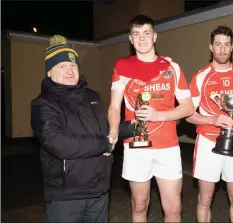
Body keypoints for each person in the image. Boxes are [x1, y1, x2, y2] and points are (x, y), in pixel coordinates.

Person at [30, 35, 134, 223]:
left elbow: (107, 130)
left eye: (73, 65)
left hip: (99, 191)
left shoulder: (93, 97)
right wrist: (104, 144)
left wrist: (134, 127)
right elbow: (59, 144)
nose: (69, 71)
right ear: (49, 72)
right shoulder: (43, 105)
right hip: (66, 196)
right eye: (62, 66)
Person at [107, 15, 194, 222]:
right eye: (136, 34)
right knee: (140, 205)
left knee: (173, 208)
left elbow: (188, 108)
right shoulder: (122, 66)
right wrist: (113, 130)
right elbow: (113, 106)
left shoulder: (172, 68)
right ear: (130, 39)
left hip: (167, 146)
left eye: (146, 33)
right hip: (136, 145)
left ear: (155, 36)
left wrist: (159, 115)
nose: (142, 38)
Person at [185, 25, 233, 222]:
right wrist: (213, 120)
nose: (222, 50)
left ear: (232, 47)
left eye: (226, 45)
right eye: (218, 45)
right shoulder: (200, 76)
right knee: (205, 199)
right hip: (208, 143)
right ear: (211, 47)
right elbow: (188, 115)